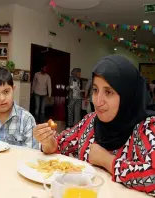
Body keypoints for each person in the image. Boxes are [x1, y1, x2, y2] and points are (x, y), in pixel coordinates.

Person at [33, 55, 155, 195]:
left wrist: (108, 161)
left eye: (108, 92)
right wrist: (48, 142)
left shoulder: (146, 128)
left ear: (128, 95)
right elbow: (59, 145)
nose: (98, 101)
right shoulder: (90, 121)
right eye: (96, 90)